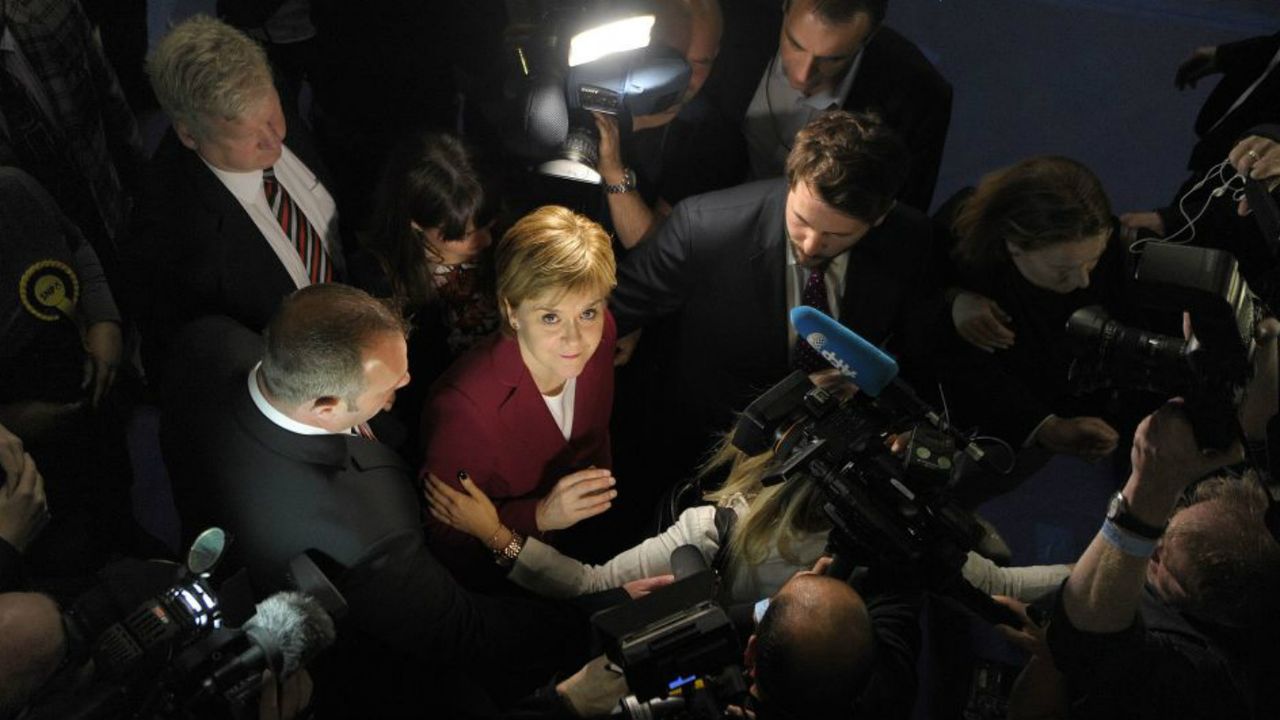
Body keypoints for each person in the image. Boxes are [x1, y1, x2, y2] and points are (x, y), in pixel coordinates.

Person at [161, 283, 614, 717]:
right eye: (390, 387)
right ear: (325, 407)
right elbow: (462, 629)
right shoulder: (369, 530)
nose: (409, 380)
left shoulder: (206, 342)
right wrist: (579, 619)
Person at [610, 109, 933, 486]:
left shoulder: (911, 241)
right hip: (693, 452)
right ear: (791, 179)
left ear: (880, 217)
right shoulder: (705, 227)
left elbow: (917, 345)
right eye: (802, 220)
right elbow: (614, 310)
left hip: (817, 470)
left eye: (838, 235)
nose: (811, 245)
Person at [127, 15, 345, 379]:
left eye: (273, 117)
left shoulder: (259, 99)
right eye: (248, 135)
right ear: (189, 136)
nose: (275, 140)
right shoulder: (170, 241)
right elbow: (190, 369)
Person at [420, 205, 619, 586]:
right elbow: (446, 534)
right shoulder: (463, 409)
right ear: (512, 311)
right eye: (550, 317)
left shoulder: (605, 331)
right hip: (509, 581)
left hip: (599, 531)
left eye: (588, 312)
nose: (575, 339)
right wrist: (540, 516)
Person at [923, 156, 1151, 463]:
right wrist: (952, 300)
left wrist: (1049, 426)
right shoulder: (959, 230)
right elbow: (914, 299)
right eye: (1062, 269)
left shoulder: (1109, 251)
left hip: (1040, 425)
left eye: (1091, 261)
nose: (1083, 280)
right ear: (1014, 244)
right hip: (942, 405)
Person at [0, 166, 135, 581]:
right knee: (64, 555)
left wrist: (104, 321)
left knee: (113, 489)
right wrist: (8, 422)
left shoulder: (14, 187)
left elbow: (75, 244)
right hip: (21, 456)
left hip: (83, 381)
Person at [704, 0, 952, 210]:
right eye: (795, 44)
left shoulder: (919, 97)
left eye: (832, 59)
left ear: (870, 37)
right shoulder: (729, 21)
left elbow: (900, 217)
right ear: (785, 6)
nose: (802, 76)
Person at [353, 131, 502, 442]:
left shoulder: (500, 245)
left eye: (489, 226)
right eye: (464, 235)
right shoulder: (378, 279)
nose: (485, 241)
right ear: (416, 223)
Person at [0, 0, 145, 286]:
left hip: (108, 206)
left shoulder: (52, 10)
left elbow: (110, 99)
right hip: (38, 263)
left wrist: (145, 184)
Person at [592, 0, 738, 248]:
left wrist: (613, 170)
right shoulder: (600, 89)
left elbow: (655, 250)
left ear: (716, 54)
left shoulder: (712, 139)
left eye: (701, 63)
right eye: (674, 59)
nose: (687, 77)